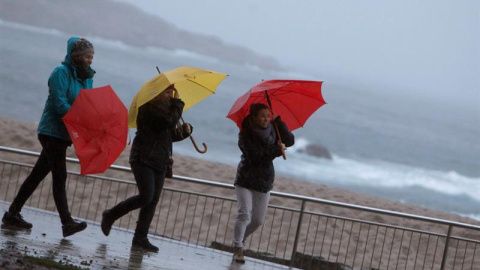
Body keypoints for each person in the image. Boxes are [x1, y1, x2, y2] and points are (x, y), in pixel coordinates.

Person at [2, 37, 95, 237]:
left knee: (37, 175)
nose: (91, 60)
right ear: (77, 56)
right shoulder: (60, 73)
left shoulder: (87, 78)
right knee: (60, 176)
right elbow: (58, 103)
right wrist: (78, 117)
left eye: (92, 56)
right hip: (51, 131)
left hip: (66, 134)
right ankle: (67, 223)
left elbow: (87, 104)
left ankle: (12, 213)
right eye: (88, 56)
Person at [101, 84, 192, 252]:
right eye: (166, 91)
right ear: (156, 93)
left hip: (160, 160)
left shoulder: (166, 110)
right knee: (146, 196)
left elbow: (167, 136)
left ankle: (140, 238)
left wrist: (183, 132)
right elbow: (166, 122)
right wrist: (178, 104)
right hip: (143, 157)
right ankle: (111, 214)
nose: (170, 95)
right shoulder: (148, 108)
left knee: (152, 201)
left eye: (171, 92)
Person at [232, 103, 295, 263]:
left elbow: (290, 141)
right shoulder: (245, 134)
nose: (266, 119)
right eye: (262, 116)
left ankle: (239, 240)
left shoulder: (274, 129)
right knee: (244, 214)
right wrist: (276, 151)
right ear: (253, 117)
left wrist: (279, 121)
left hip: (264, 180)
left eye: (268, 115)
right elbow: (256, 156)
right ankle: (238, 247)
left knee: (258, 220)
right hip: (245, 179)